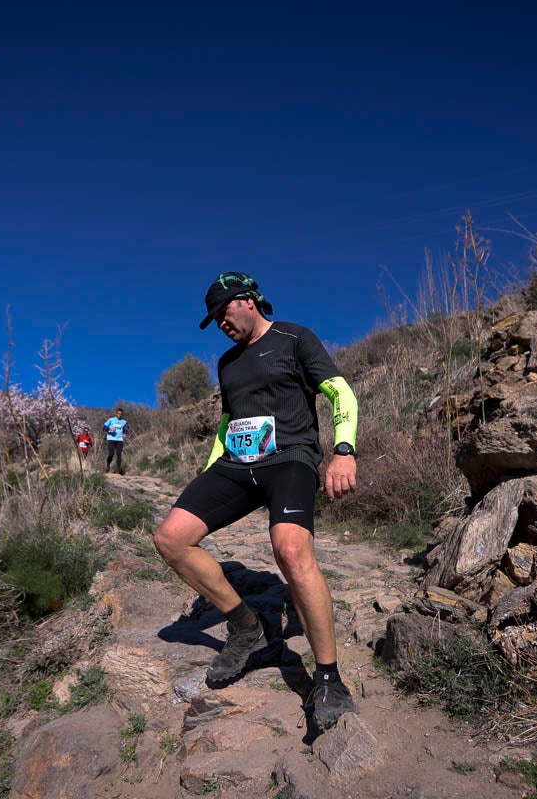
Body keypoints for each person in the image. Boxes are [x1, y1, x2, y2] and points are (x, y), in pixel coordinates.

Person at [153, 271, 360, 733]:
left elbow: (339, 392)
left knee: (290, 551)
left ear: (248, 300)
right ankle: (246, 627)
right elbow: (228, 423)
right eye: (213, 319)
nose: (220, 323)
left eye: (223, 311)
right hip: (236, 464)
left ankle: (328, 678)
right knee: (170, 539)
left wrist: (344, 450)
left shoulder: (294, 338)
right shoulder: (227, 363)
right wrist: (209, 472)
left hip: (289, 459)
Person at [103, 408, 129, 474]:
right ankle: (108, 465)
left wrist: (125, 434)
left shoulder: (124, 421)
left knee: (119, 454)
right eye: (118, 414)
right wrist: (110, 428)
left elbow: (126, 429)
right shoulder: (111, 420)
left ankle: (118, 471)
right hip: (111, 439)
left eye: (121, 414)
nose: (119, 415)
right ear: (116, 413)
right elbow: (104, 427)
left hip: (119, 439)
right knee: (111, 454)